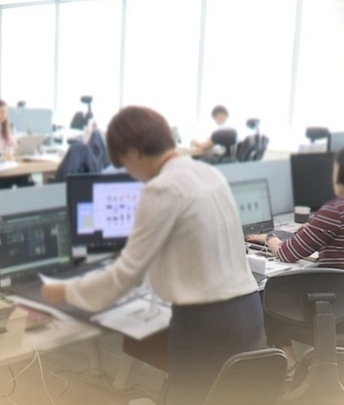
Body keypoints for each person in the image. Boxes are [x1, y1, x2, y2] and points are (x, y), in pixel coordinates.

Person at [41, 106, 262, 405]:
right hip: (248, 311)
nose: (130, 175)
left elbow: (125, 274)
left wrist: (66, 291)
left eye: (125, 165)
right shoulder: (208, 173)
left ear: (133, 153)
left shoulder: (162, 188)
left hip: (206, 322)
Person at [247, 142, 344, 373]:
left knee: (268, 297)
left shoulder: (337, 209)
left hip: (341, 309)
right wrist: (314, 228)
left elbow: (287, 253)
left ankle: (292, 368)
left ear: (341, 172)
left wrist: (268, 238)